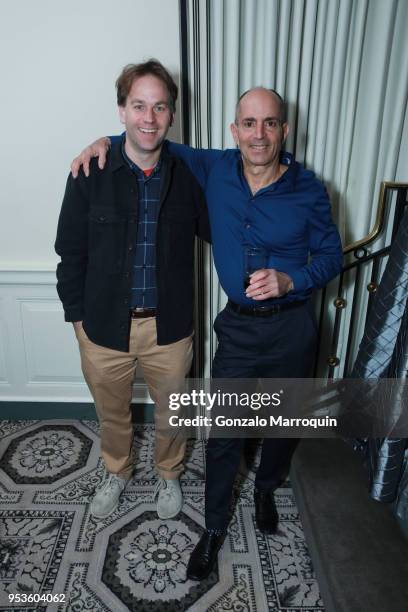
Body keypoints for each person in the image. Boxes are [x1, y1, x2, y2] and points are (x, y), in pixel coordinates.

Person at [71, 86, 343, 577]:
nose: (259, 134)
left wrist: (291, 278)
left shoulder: (309, 189)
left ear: (284, 129)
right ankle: (215, 525)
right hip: (238, 329)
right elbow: (148, 136)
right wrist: (103, 142)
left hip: (294, 326)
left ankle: (265, 488)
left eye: (270, 123)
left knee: (284, 424)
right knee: (225, 432)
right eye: (249, 123)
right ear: (234, 130)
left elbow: (330, 256)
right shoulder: (215, 169)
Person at [55, 60, 210, 521]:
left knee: (172, 415)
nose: (149, 117)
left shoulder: (191, 175)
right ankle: (117, 471)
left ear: (172, 115)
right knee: (113, 414)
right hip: (102, 326)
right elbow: (69, 251)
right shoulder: (90, 170)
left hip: (170, 328)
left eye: (159, 107)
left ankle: (169, 474)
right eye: (139, 105)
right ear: (121, 111)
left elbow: (225, 223)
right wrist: (78, 319)